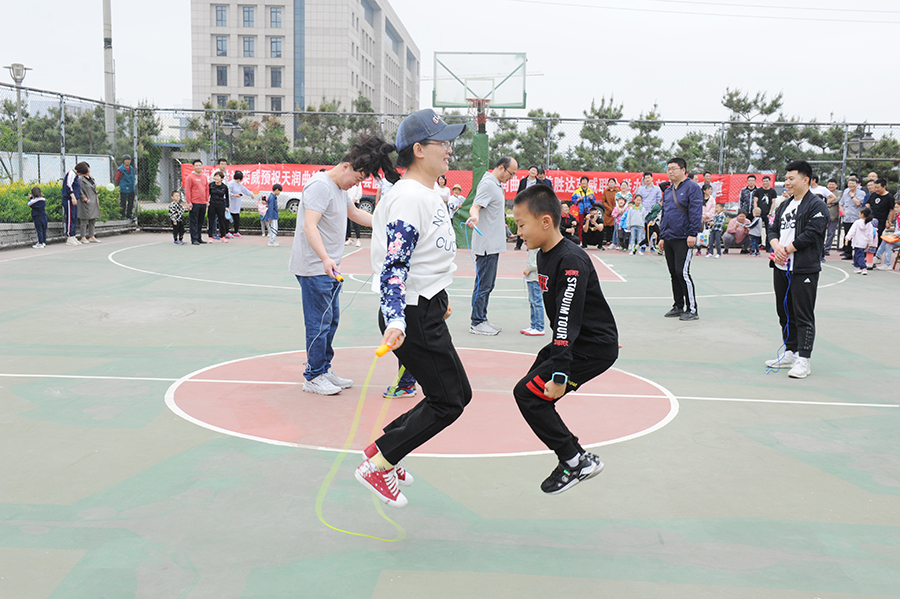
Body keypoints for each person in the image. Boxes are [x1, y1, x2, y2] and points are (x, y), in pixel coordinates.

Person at [356, 108, 467, 508]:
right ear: (419, 150)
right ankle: (379, 464)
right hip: (410, 314)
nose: (449, 150)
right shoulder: (408, 198)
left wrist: (441, 297)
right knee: (449, 400)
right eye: (443, 143)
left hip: (425, 306)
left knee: (453, 393)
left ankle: (384, 450)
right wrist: (396, 319)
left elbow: (426, 257)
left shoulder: (425, 193)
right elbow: (395, 265)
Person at [511, 184, 619, 494]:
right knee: (535, 382)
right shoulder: (545, 255)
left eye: (521, 225)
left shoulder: (571, 260)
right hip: (584, 340)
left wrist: (560, 374)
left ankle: (574, 460)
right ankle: (575, 455)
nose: (519, 232)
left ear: (545, 221)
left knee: (528, 396)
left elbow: (565, 319)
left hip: (589, 348)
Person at [289, 135, 387, 396]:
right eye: (358, 178)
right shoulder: (319, 186)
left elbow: (355, 213)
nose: (357, 183)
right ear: (346, 166)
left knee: (330, 321)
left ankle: (323, 368)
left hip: (330, 267)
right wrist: (324, 258)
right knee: (319, 323)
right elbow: (310, 226)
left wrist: (385, 223)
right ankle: (313, 376)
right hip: (315, 267)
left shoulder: (340, 189)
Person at [765, 159, 829, 379]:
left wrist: (787, 249)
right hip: (781, 267)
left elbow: (812, 233)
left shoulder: (817, 205)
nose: (787, 182)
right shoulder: (784, 205)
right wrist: (776, 246)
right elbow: (773, 229)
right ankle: (790, 352)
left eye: (791, 178)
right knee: (784, 311)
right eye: (786, 178)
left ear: (806, 179)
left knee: (803, 314)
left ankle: (804, 359)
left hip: (803, 268)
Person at [467, 155, 518, 336]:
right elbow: (475, 206)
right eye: (511, 173)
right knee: (484, 284)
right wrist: (475, 217)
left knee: (487, 284)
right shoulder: (488, 184)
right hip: (487, 244)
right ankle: (477, 321)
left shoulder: (496, 185)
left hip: (493, 244)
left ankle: (482, 318)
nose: (511, 177)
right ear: (502, 167)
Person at [659, 157, 703, 321]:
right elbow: (665, 214)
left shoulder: (692, 187)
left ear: (683, 170)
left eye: (674, 168)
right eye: (668, 169)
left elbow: (695, 212)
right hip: (669, 236)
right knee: (673, 273)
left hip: (684, 237)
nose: (670, 171)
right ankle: (678, 306)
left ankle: (692, 309)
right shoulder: (668, 191)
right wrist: (662, 236)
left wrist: (693, 233)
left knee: (682, 272)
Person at [839, 176, 865, 260]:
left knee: (857, 237)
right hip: (847, 218)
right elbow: (841, 203)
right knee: (847, 236)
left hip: (857, 218)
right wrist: (843, 212)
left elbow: (858, 203)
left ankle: (858, 254)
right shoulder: (846, 192)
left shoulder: (861, 193)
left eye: (853, 183)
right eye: (849, 183)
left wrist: (852, 196)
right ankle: (848, 253)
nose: (851, 185)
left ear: (857, 184)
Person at [62, 163, 88, 246]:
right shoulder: (71, 174)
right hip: (69, 199)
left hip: (74, 200)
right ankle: (69, 236)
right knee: (70, 217)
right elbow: (68, 185)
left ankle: (73, 235)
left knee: (74, 217)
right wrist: (72, 196)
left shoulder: (75, 176)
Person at [521, 248, 545, 336]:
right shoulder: (533, 248)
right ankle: (534, 325)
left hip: (535, 277)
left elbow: (539, 262)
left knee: (536, 302)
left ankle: (539, 327)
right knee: (532, 302)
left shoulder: (538, 248)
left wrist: (530, 268)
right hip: (531, 277)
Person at [184, 159, 209, 245]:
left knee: (200, 221)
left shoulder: (204, 177)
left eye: (200, 165)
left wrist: (207, 201)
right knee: (194, 221)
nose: (198, 167)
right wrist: (189, 202)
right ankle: (194, 239)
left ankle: (199, 238)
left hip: (203, 203)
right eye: (196, 165)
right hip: (194, 203)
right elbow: (187, 190)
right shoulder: (190, 177)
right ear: (193, 167)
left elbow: (207, 189)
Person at [846, 207, 875, 275]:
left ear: (862, 214)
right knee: (857, 255)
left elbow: (852, 231)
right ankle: (858, 267)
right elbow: (870, 235)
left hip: (857, 242)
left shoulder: (857, 222)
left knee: (859, 255)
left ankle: (863, 267)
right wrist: (869, 243)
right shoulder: (869, 224)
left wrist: (847, 238)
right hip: (864, 242)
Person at [78, 164, 101, 244]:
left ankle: (91, 236)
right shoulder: (80, 179)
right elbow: (79, 189)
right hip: (86, 201)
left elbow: (94, 190)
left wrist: (97, 199)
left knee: (93, 219)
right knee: (84, 219)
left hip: (93, 200)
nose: (88, 170)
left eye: (88, 168)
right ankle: (83, 237)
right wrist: (84, 198)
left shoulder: (91, 178)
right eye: (86, 168)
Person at [873, 200, 900, 270]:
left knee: (887, 242)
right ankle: (886, 264)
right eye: (895, 207)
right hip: (898, 238)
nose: (895, 209)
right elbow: (897, 228)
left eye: (897, 207)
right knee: (888, 244)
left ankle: (878, 257)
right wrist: (896, 234)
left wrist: (896, 234)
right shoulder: (898, 216)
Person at [753, 175, 777, 251]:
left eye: (767, 181)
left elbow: (773, 202)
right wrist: (756, 211)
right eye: (764, 181)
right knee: (757, 229)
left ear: (770, 182)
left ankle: (768, 246)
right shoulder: (758, 191)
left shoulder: (773, 191)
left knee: (768, 230)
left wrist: (770, 213)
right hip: (759, 213)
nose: (765, 183)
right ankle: (758, 245)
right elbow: (755, 201)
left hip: (768, 214)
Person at [867, 178, 895, 243]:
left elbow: (892, 210)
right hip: (870, 219)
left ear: (884, 187)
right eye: (875, 188)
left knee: (877, 237)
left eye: (878, 188)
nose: (876, 189)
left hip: (881, 221)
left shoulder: (889, 197)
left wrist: (889, 222)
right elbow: (869, 204)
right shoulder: (873, 195)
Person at [227, 170, 253, 238]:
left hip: (236, 205)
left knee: (237, 219)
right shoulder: (231, 183)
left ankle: (236, 232)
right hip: (230, 204)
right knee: (227, 218)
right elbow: (228, 192)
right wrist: (234, 195)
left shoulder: (239, 185)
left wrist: (251, 194)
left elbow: (244, 190)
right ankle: (226, 232)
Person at [571, 176, 595, 246]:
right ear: (580, 182)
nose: (584, 182)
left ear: (587, 182)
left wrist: (591, 199)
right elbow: (573, 201)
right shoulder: (577, 191)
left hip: (588, 210)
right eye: (583, 181)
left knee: (589, 225)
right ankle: (581, 240)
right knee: (581, 225)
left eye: (585, 181)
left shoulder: (590, 191)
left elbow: (593, 202)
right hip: (580, 210)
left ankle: (588, 240)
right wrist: (578, 199)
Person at [207, 171, 230, 241]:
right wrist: (207, 202)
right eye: (215, 176)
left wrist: (227, 206)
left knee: (222, 220)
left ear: (221, 178)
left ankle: (223, 236)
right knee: (211, 220)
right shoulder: (211, 185)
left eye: (218, 176)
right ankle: (210, 236)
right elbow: (207, 194)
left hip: (221, 205)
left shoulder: (224, 187)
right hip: (212, 204)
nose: (216, 178)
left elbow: (227, 197)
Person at [822, 178, 841, 256]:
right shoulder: (824, 191)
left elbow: (837, 200)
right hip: (823, 215)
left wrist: (827, 203)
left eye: (833, 185)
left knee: (831, 233)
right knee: (821, 232)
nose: (831, 186)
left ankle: (827, 249)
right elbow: (821, 201)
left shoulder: (839, 192)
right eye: (830, 184)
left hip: (834, 216)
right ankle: (821, 248)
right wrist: (831, 203)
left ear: (836, 185)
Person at [115, 155, 136, 219]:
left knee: (131, 202)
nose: (128, 161)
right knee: (123, 202)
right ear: (123, 161)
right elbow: (117, 179)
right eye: (126, 160)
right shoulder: (120, 169)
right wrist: (120, 185)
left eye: (129, 160)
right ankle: (122, 215)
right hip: (124, 188)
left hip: (131, 188)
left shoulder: (132, 169)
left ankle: (129, 215)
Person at [345, 183, 363, 247]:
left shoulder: (358, 183)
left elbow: (359, 194)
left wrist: (353, 202)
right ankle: (349, 238)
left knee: (355, 222)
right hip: (347, 203)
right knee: (347, 222)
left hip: (354, 203)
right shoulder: (348, 182)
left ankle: (358, 239)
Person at [601, 179, 617, 245]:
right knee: (607, 227)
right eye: (610, 182)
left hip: (615, 211)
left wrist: (614, 208)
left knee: (614, 227)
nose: (611, 184)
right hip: (608, 211)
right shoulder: (605, 191)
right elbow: (603, 201)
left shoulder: (617, 191)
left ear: (615, 183)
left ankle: (614, 241)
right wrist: (608, 207)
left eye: (612, 182)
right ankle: (608, 240)